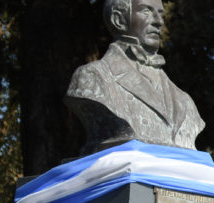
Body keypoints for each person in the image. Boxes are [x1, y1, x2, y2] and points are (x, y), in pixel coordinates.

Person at [66, 0, 205, 154]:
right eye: (147, 11)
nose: (158, 22)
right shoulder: (93, 77)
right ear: (118, 20)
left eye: (161, 14)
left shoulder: (184, 101)